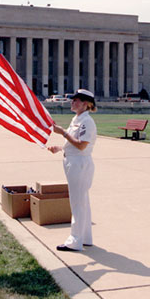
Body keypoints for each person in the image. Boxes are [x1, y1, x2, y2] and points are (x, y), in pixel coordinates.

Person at [48, 89, 97, 252]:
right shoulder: (77, 119)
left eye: (76, 100)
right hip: (74, 161)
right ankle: (85, 237)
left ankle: (75, 241)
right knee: (82, 202)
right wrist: (61, 147)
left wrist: (62, 132)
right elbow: (75, 143)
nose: (72, 102)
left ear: (85, 104)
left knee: (77, 203)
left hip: (79, 164)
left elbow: (82, 145)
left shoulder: (87, 122)